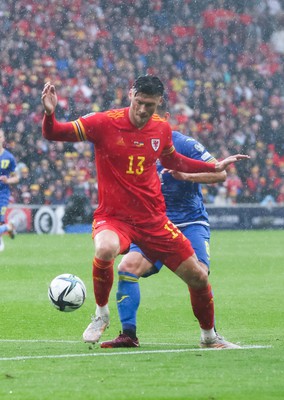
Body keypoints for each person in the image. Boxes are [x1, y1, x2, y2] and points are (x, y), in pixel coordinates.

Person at [41, 75, 249, 349]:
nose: (142, 110)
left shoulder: (161, 129)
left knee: (198, 276)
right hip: (114, 218)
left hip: (154, 221)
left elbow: (173, 159)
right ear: (130, 95)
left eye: (149, 106)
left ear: (159, 103)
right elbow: (54, 133)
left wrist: (214, 167)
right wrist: (50, 113)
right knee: (105, 250)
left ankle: (209, 337)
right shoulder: (103, 122)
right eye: (139, 102)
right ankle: (101, 314)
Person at [100, 101, 231, 348]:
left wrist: (187, 176)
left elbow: (220, 173)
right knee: (127, 267)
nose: (147, 121)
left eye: (154, 116)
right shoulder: (134, 144)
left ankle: (209, 336)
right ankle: (128, 335)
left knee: (199, 275)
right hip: (154, 225)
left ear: (167, 117)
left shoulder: (184, 144)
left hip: (189, 222)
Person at [0, 128, 18, 251]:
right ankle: (9, 227)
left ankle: (7, 227)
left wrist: (7, 180)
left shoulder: (9, 157)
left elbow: (16, 178)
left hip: (2, 195)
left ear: (3, 138)